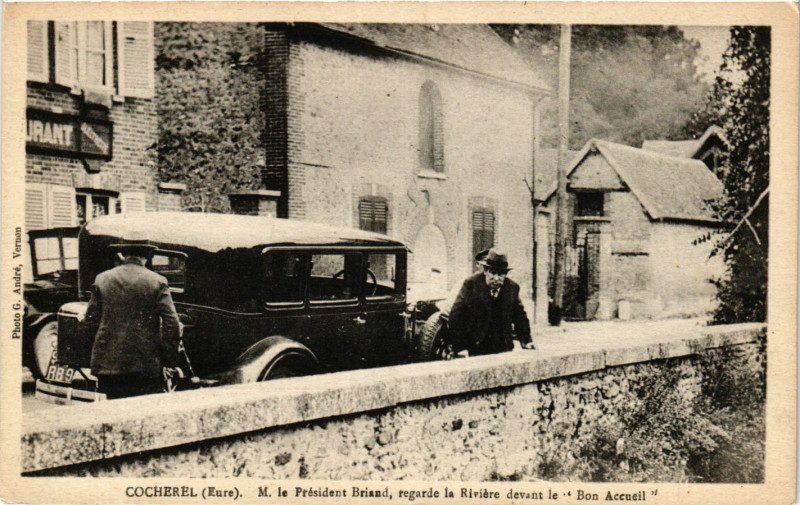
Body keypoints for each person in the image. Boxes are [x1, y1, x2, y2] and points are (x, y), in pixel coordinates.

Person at [83, 239, 181, 399]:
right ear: (148, 257)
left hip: (108, 365)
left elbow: (90, 322)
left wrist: (99, 354)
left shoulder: (102, 279)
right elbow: (172, 324)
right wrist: (169, 362)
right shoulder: (158, 281)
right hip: (145, 364)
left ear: (123, 254)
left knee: (113, 415)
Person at [448, 248, 536, 356]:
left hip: (503, 347)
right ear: (485, 271)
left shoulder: (512, 288)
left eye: (501, 274)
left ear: (506, 274)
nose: (496, 278)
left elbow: (520, 316)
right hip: (476, 347)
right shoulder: (471, 284)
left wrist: (527, 340)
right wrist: (460, 347)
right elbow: (456, 316)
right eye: (493, 273)